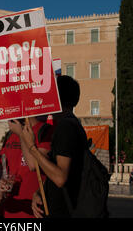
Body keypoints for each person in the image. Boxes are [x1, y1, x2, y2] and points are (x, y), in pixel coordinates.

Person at [19, 75, 89, 218]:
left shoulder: (66, 127)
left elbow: (60, 177)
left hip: (64, 211)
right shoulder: (70, 124)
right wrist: (39, 192)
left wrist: (32, 147)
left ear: (55, 97)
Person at [0, 116, 53, 218]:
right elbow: (1, 165)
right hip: (8, 209)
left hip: (31, 211)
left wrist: (21, 134)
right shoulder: (10, 134)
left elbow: (34, 165)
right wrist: (1, 180)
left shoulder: (46, 131)